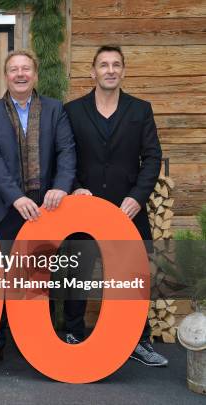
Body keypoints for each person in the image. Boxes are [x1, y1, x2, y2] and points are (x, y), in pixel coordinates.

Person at [64, 45, 168, 367]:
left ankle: (138, 340)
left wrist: (138, 197)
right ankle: (72, 334)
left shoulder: (140, 110)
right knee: (77, 272)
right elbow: (64, 156)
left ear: (123, 71)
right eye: (104, 65)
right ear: (92, 72)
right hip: (85, 207)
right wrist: (76, 188)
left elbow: (152, 158)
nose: (110, 70)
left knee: (132, 277)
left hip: (128, 209)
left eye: (116, 65)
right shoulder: (73, 111)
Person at [0, 50, 76, 369]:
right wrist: (15, 197)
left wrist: (60, 186)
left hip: (44, 208)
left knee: (37, 279)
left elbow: (66, 151)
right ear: (6, 76)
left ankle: (38, 345)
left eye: (26, 69)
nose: (20, 74)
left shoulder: (55, 110)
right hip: (2, 208)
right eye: (13, 69)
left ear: (35, 75)